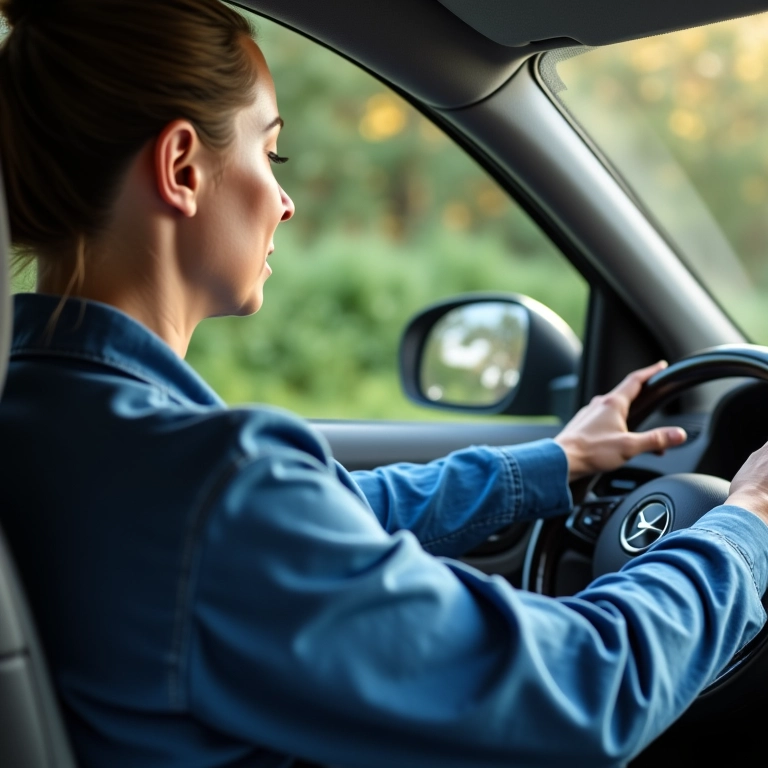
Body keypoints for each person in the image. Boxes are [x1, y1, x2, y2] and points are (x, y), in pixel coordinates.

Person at [0, 1, 767, 766]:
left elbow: (331, 510)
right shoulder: (209, 486)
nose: (285, 200)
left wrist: (555, 461)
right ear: (182, 168)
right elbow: (580, 690)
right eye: (273, 155)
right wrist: (745, 524)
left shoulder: (53, 421)